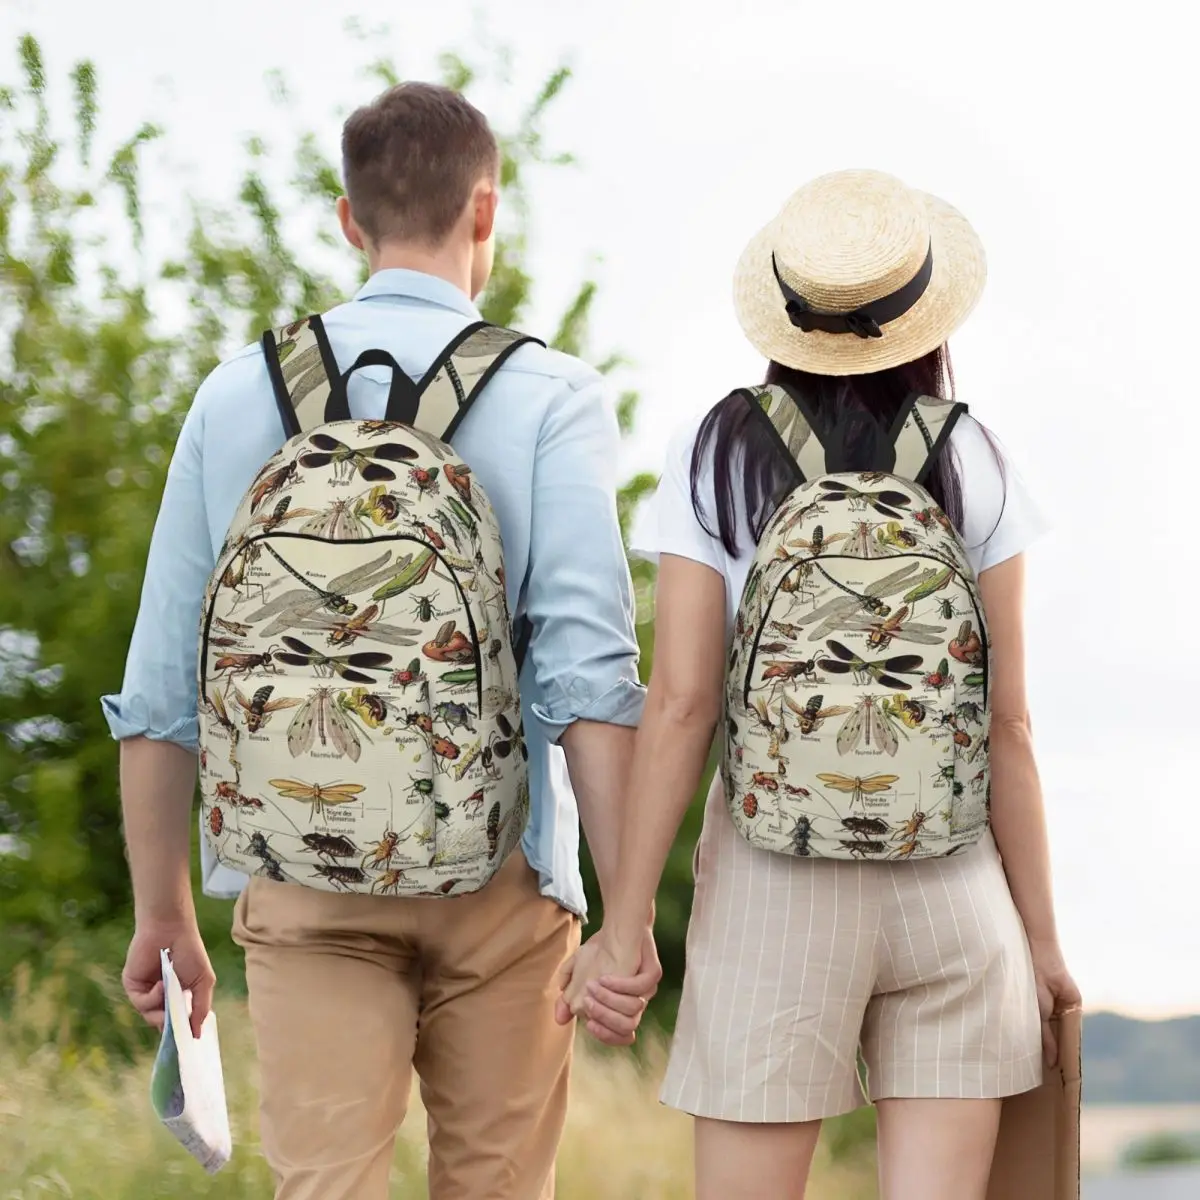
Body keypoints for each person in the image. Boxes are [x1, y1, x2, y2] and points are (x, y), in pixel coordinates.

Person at [104, 81, 661, 1200]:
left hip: (299, 874)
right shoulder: (551, 395)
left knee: (325, 1186)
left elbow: (163, 684)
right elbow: (588, 679)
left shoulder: (234, 395)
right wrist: (627, 915)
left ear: (349, 219)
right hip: (501, 876)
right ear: (486, 212)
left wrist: (163, 911)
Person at [559, 169, 1081, 1200]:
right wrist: (1043, 943)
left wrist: (623, 928)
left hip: (773, 884)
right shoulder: (975, 456)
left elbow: (682, 705)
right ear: (925, 315)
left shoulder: (717, 451)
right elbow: (1010, 723)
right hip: (954, 884)